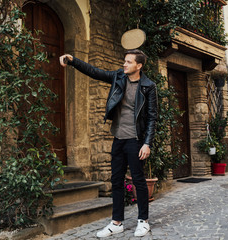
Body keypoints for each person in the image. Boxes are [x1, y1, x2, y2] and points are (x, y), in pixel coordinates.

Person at [59, 49, 158, 237]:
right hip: (118, 138)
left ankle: (143, 221)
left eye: (129, 62)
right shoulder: (118, 77)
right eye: (125, 61)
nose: (124, 64)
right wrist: (73, 61)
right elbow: (95, 71)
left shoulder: (148, 86)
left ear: (139, 66)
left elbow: (152, 117)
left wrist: (147, 143)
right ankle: (116, 222)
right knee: (116, 180)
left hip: (136, 140)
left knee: (138, 180)